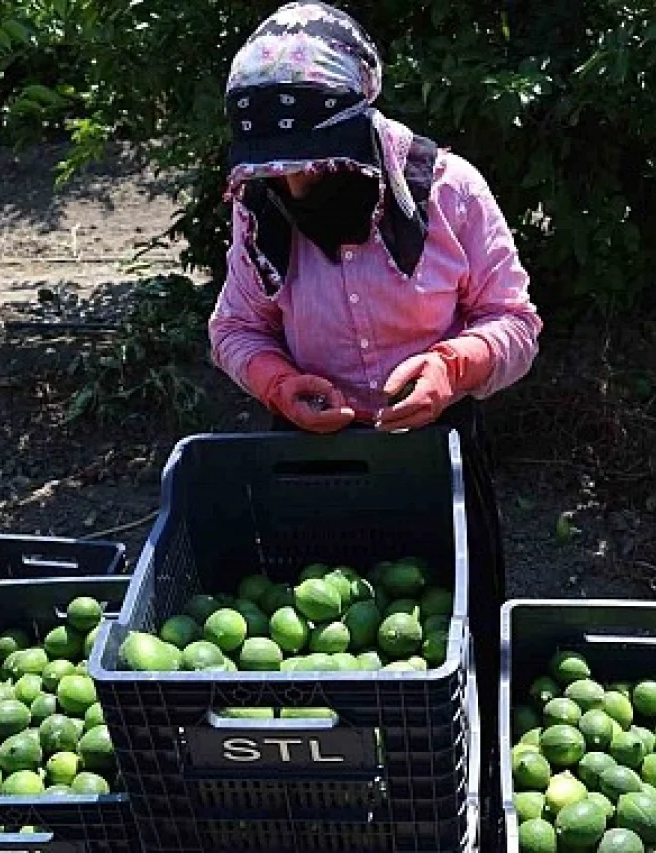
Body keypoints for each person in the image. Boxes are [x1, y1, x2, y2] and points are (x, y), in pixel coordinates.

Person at [206, 0, 542, 739]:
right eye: (277, 171)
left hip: (435, 453)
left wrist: (454, 367)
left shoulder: (448, 191)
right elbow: (235, 327)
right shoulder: (259, 204)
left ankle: (465, 760)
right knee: (322, 653)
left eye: (311, 165)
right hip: (311, 457)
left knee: (457, 630)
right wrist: (278, 383)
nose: (294, 188)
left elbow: (515, 322)